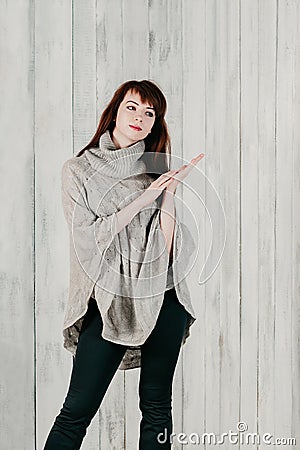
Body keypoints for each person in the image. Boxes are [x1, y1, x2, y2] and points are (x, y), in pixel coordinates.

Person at [43, 79, 204, 449]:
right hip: (109, 300)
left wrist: (167, 196)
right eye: (133, 107)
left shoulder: (154, 169)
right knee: (75, 413)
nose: (141, 117)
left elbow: (166, 252)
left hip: (164, 298)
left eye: (150, 113)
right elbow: (87, 239)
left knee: (157, 410)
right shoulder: (78, 170)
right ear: (115, 110)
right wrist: (142, 198)